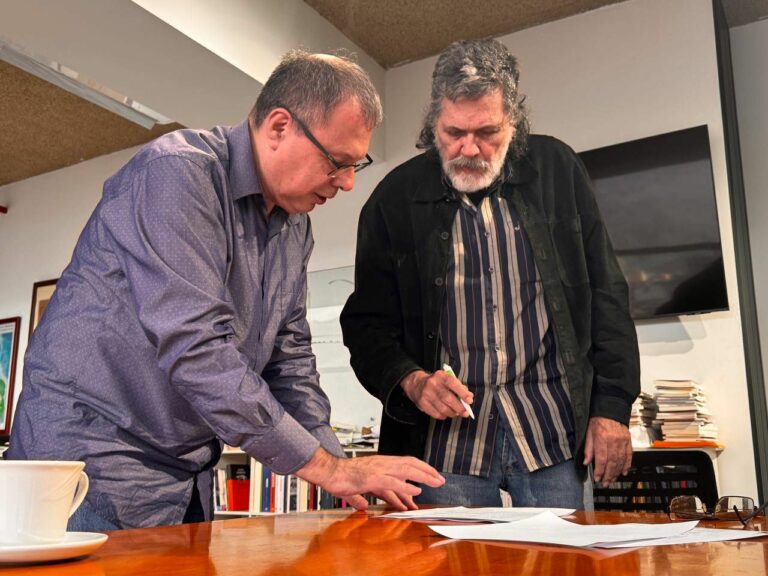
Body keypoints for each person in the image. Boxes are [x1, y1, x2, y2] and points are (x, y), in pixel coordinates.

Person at [7, 49, 444, 530]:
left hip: (188, 469)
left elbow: (289, 358)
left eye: (355, 166)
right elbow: (196, 347)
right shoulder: (176, 173)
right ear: (279, 126)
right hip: (92, 461)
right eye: (338, 163)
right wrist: (326, 469)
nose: (347, 184)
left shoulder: (294, 228)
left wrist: (339, 466)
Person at [340, 39, 640, 508]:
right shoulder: (394, 199)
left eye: (487, 132)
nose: (469, 148)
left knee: (561, 551)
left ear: (513, 122)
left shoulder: (557, 171)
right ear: (433, 124)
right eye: (453, 132)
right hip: (444, 450)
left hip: (552, 437)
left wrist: (613, 407)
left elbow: (606, 294)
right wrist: (412, 380)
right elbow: (366, 326)